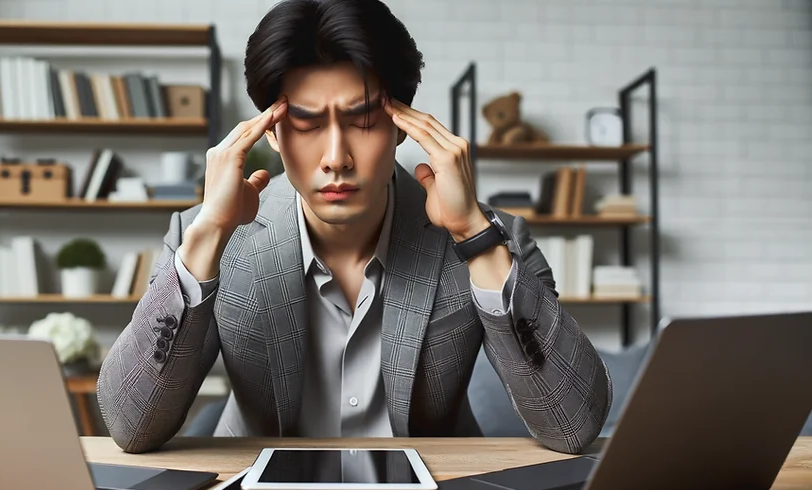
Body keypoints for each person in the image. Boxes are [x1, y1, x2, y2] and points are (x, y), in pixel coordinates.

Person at [97, 0, 612, 455]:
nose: (336, 158)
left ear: (401, 125)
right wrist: (209, 233)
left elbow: (574, 425)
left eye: (363, 120)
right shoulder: (206, 236)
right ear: (272, 133)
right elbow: (130, 426)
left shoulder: (490, 239)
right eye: (306, 123)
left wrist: (474, 237)